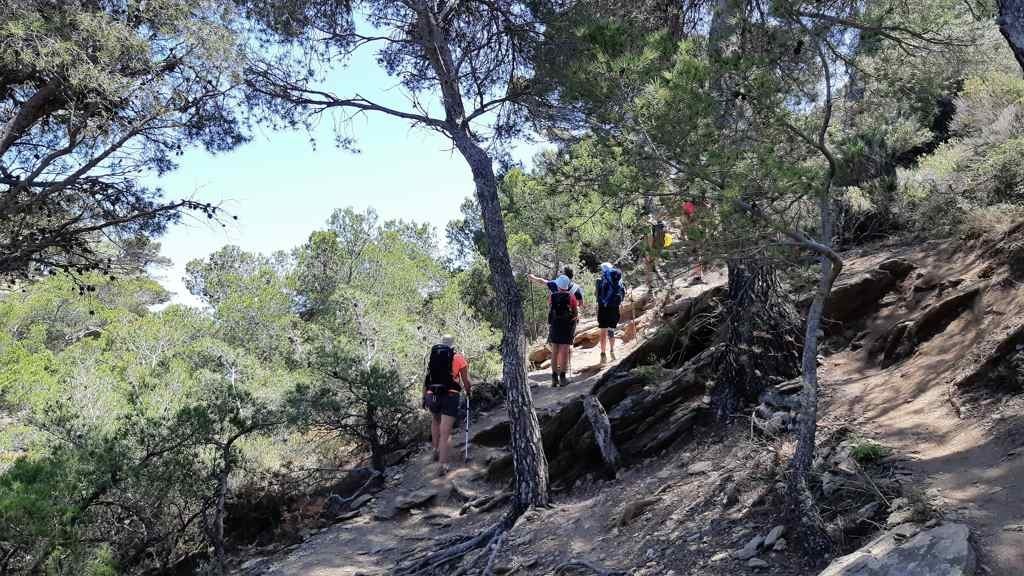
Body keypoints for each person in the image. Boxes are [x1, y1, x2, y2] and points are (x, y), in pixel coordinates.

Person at [422, 335, 472, 476]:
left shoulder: (434, 357)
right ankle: (443, 465)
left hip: (432, 394)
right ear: (453, 346)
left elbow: (427, 379)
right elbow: (466, 381)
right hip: (450, 395)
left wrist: (424, 396)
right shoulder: (458, 358)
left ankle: (435, 450)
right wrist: (469, 391)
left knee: (435, 420)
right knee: (446, 433)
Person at [528, 266, 583, 375]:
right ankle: (564, 371)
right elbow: (581, 304)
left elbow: (542, 282)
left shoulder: (555, 285)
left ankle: (555, 373)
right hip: (570, 322)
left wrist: (532, 278)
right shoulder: (576, 288)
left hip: (555, 321)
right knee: (567, 346)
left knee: (555, 347)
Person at [546, 274, 579, 387]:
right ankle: (563, 378)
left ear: (558, 285)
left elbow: (550, 309)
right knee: (564, 351)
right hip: (566, 327)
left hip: (555, 326)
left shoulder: (552, 296)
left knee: (554, 351)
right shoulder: (571, 297)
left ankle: (554, 378)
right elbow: (575, 314)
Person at [595, 262, 625, 363]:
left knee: (603, 332)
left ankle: (603, 355)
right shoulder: (619, 279)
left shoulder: (600, 280)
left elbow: (597, 295)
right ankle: (612, 351)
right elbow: (623, 292)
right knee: (611, 330)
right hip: (614, 307)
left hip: (603, 308)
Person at [682, 200, 704, 285]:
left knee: (696, 258)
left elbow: (686, 228)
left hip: (694, 238)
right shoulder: (690, 218)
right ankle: (698, 276)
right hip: (694, 238)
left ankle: (698, 276)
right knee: (696, 257)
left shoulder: (689, 217)